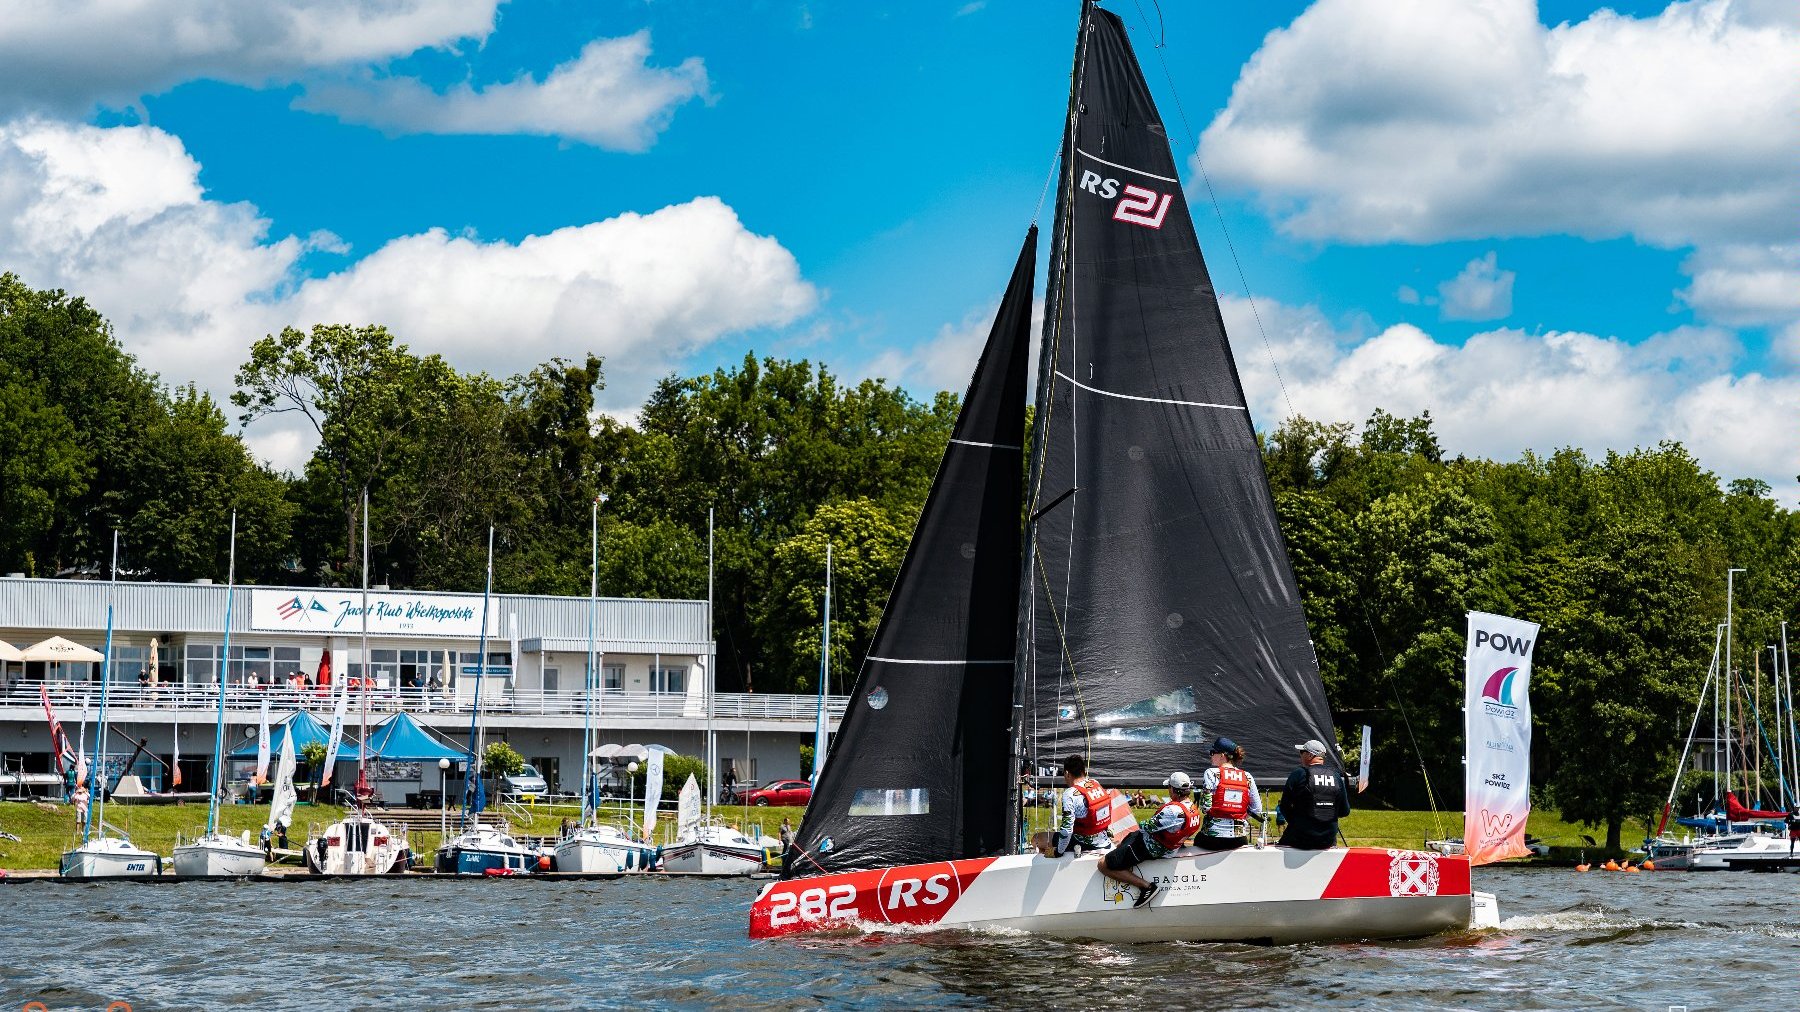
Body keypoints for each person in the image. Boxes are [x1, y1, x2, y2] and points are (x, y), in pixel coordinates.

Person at [1100, 771, 1203, 909]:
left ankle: (1147, 887)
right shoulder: (1192, 807)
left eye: (1169, 788)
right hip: (1169, 847)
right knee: (1128, 838)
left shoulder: (1172, 811)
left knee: (1103, 864)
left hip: (1149, 847)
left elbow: (1146, 826)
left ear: (1173, 789)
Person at [1030, 755, 1113, 858]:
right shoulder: (1095, 783)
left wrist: (1058, 852)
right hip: (1104, 841)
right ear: (1084, 771)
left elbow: (1066, 830)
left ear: (1067, 773)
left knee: (1036, 839)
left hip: (1084, 843)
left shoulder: (1070, 794)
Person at [1276, 739, 1351, 850]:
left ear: (1310, 755)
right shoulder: (1336, 777)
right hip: (1328, 840)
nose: (1300, 755)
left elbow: (1284, 806)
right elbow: (1345, 811)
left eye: (1302, 752)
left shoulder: (1299, 774)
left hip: (1301, 838)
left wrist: (1297, 822)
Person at [1196, 737, 1262, 850]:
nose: (1210, 755)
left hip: (1212, 838)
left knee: (1197, 840)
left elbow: (1205, 807)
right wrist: (1238, 815)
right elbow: (1257, 809)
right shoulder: (1247, 776)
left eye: (1212, 752)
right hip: (1239, 839)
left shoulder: (1211, 773)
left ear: (1222, 755)